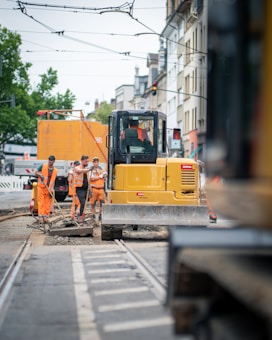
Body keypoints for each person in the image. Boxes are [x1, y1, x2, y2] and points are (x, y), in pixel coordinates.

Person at [35, 155, 58, 224]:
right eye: (49, 160)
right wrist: (40, 175)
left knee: (47, 203)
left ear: (54, 161)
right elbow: (36, 172)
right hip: (41, 187)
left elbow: (53, 181)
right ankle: (41, 217)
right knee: (41, 202)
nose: (49, 162)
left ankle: (45, 216)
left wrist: (51, 189)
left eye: (51, 160)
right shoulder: (43, 166)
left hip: (49, 189)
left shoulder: (55, 170)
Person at [89, 157, 107, 222]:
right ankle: (93, 215)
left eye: (97, 162)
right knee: (92, 203)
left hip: (101, 189)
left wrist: (104, 175)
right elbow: (91, 178)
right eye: (95, 162)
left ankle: (100, 215)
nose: (96, 163)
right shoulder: (91, 170)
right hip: (94, 189)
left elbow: (105, 175)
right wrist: (99, 176)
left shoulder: (101, 169)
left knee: (102, 203)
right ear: (93, 163)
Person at [74, 155, 91, 223]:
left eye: (88, 161)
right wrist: (88, 170)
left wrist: (90, 190)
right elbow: (79, 171)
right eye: (86, 161)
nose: (87, 163)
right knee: (82, 202)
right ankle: (80, 216)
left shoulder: (87, 169)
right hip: (80, 188)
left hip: (86, 188)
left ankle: (81, 215)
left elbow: (89, 179)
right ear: (82, 161)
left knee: (85, 203)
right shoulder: (78, 168)